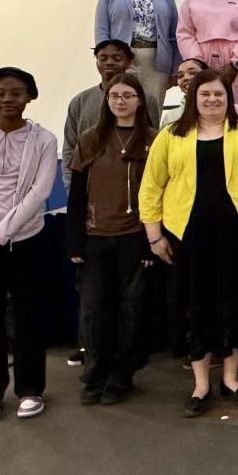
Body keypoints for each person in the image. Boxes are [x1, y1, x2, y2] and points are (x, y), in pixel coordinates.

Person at [139, 70, 238, 417]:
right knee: (195, 306)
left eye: (218, 94)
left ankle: (232, 379)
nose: (212, 100)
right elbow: (150, 189)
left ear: (229, 97)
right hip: (188, 237)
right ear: (193, 98)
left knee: (235, 303)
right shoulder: (172, 136)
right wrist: (154, 237)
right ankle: (200, 386)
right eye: (205, 95)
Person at [0, 68, 56, 423]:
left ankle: (30, 390)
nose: (8, 99)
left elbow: (39, 194)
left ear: (30, 96)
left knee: (28, 318)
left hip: (25, 242)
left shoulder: (44, 140)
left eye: (16, 93)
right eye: (0, 92)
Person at [66, 73, 157, 405]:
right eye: (115, 96)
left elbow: (160, 192)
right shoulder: (90, 138)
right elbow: (76, 193)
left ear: (139, 101)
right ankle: (94, 377)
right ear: (107, 101)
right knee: (94, 311)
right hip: (94, 238)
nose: (121, 101)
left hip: (135, 237)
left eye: (128, 96)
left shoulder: (152, 139)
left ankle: (121, 376)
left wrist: (151, 241)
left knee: (131, 311)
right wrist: (74, 241)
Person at [94, 0, 180, 115]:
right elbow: (101, 28)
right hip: (123, 60)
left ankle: (152, 143)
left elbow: (174, 34)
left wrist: (175, 69)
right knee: (122, 107)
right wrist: (105, 60)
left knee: (152, 110)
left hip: (156, 61)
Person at [63, 40, 160, 190]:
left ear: (128, 62)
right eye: (103, 58)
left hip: (137, 185)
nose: (109, 63)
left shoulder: (147, 100)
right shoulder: (80, 101)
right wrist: (71, 187)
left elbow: (154, 143)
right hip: (91, 186)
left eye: (116, 58)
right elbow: (70, 147)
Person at [160, 58, 207, 127]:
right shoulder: (171, 117)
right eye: (180, 76)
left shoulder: (220, 109)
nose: (185, 78)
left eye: (192, 73)